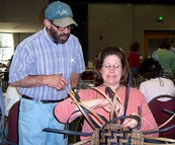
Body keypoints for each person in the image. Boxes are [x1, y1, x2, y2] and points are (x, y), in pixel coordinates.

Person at [8, 1, 85, 145]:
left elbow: (77, 70)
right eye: (60, 27)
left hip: (61, 107)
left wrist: (71, 90)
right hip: (34, 110)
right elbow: (14, 79)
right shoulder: (29, 46)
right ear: (47, 23)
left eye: (69, 27)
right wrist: (45, 80)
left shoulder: (74, 43)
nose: (66, 31)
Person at [54, 46, 158, 143]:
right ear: (100, 69)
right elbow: (60, 114)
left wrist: (139, 123)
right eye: (107, 66)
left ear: (123, 70)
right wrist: (100, 102)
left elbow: (155, 133)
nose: (112, 70)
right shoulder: (90, 94)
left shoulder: (136, 95)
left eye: (117, 66)